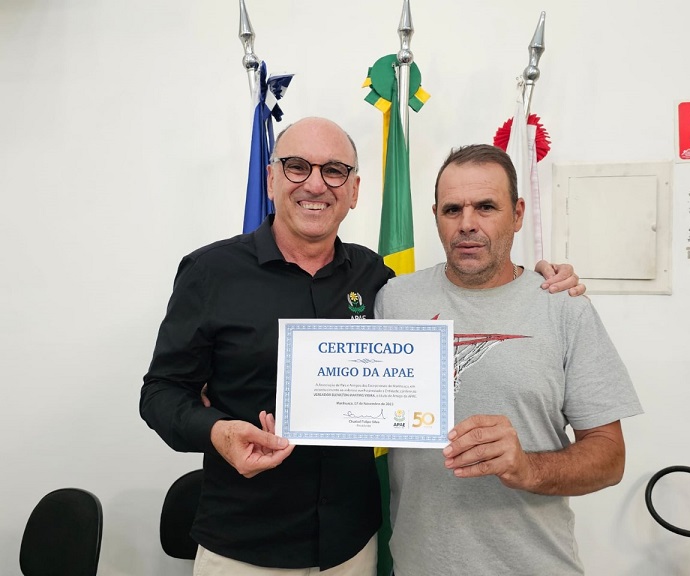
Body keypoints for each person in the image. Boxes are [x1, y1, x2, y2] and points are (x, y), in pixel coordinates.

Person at [140, 117, 584, 576]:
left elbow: (461, 307)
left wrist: (542, 282)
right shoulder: (210, 272)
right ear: (271, 179)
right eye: (296, 166)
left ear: (354, 191)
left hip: (352, 548)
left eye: (334, 170)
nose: (315, 184)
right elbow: (161, 392)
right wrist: (217, 431)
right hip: (244, 547)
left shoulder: (376, 279)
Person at [373, 144, 643, 575]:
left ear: (517, 215)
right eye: (452, 209)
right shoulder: (394, 300)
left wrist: (528, 467)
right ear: (436, 216)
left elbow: (610, 458)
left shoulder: (563, 307)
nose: (467, 224)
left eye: (486, 207)